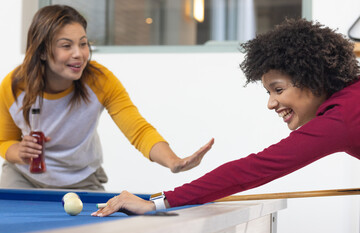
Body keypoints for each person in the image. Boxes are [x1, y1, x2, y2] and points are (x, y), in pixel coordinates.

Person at [91, 18, 360, 216]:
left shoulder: (340, 119)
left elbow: (256, 168)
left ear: (314, 79)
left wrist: (157, 202)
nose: (271, 103)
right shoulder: (349, 105)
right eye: (268, 91)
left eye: (278, 89)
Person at [0, 5, 214, 190]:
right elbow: (4, 140)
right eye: (66, 45)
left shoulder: (100, 81)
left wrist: (173, 161)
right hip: (24, 178)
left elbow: (138, 130)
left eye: (83, 43)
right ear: (43, 52)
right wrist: (17, 151)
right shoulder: (14, 86)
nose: (79, 54)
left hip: (81, 180)